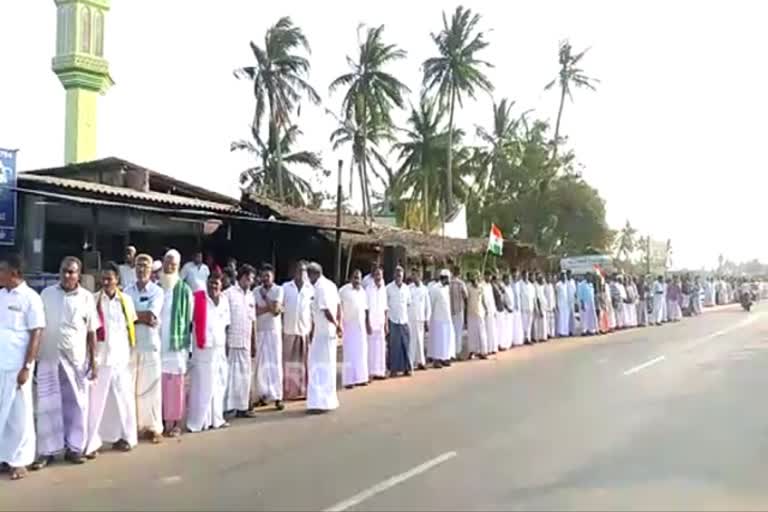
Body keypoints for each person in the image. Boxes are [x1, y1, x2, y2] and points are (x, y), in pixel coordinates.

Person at [34, 256, 99, 468]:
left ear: (79, 274)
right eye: (64, 271)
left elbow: (92, 333)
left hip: (76, 360)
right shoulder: (47, 294)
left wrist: (94, 361)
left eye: (72, 272)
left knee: (77, 406)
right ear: (59, 272)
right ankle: (47, 451)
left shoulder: (87, 298)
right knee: (47, 405)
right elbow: (38, 328)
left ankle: (74, 448)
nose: (68, 275)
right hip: (49, 357)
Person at [86, 262, 139, 457]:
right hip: (100, 358)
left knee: (124, 399)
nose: (106, 282)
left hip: (121, 358)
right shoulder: (93, 300)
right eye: (104, 278)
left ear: (117, 279)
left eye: (110, 278)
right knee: (97, 402)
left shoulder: (126, 300)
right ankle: (93, 442)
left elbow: (130, 328)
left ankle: (127, 437)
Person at [0, 254, 45, 480]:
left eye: (2, 270)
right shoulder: (0, 295)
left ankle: (20, 461)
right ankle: (3, 457)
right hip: (0, 363)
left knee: (20, 414)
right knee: (2, 414)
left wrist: (27, 366)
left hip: (18, 367)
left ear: (15, 273)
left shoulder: (31, 298)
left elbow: (36, 332)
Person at [124, 254, 164, 443]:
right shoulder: (127, 291)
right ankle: (134, 427)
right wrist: (140, 317)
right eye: (139, 266)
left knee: (151, 388)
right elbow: (126, 318)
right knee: (131, 388)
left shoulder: (157, 291)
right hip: (131, 346)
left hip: (150, 345)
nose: (141, 270)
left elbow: (151, 317)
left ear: (151, 270)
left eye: (145, 266)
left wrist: (134, 316)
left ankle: (154, 428)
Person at [187, 274, 231, 432]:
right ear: (206, 283)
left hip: (219, 348)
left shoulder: (224, 300)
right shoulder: (197, 298)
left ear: (221, 285)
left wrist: (226, 346)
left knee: (219, 384)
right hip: (203, 349)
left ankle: (216, 419)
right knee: (203, 385)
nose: (214, 286)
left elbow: (226, 325)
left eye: (217, 284)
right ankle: (199, 422)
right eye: (211, 283)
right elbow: (189, 322)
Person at [159, 249, 194, 438]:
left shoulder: (185, 290)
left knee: (175, 385)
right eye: (167, 262)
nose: (170, 266)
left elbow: (188, 319)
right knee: (159, 384)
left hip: (175, 346)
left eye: (173, 263)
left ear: (178, 266)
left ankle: (174, 422)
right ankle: (161, 421)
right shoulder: (157, 287)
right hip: (157, 344)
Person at [306, 263, 341, 413]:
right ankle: (326, 400)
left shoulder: (320, 287)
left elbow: (326, 310)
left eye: (309, 275)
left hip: (323, 333)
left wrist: (336, 324)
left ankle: (319, 402)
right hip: (327, 332)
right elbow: (339, 306)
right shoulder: (332, 285)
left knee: (318, 366)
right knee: (327, 365)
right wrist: (338, 324)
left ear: (314, 274)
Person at [223, 264, 256, 417]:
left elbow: (253, 320)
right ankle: (229, 407)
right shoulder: (228, 294)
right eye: (249, 279)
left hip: (246, 341)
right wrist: (225, 342)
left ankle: (243, 407)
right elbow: (224, 320)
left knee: (244, 376)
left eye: (252, 279)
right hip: (232, 341)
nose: (250, 282)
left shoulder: (250, 296)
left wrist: (254, 342)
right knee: (230, 376)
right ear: (242, 277)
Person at [254, 264, 285, 411]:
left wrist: (266, 299)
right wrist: (270, 306)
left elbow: (276, 311)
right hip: (260, 330)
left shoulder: (278, 290)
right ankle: (263, 395)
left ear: (273, 276)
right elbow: (255, 312)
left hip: (273, 331)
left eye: (268, 276)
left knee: (275, 362)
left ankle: (278, 396)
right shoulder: (255, 291)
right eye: (263, 276)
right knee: (261, 365)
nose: (265, 279)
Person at [281, 261, 313, 401]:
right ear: (293, 271)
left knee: (303, 362)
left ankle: (302, 390)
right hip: (288, 329)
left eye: (304, 271)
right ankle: (288, 391)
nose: (301, 273)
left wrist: (313, 329)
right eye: (299, 270)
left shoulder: (310, 288)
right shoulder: (286, 287)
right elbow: (281, 308)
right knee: (288, 362)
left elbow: (312, 311)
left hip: (304, 329)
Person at [340, 270, 369, 388]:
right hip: (348, 326)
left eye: (359, 278)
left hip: (360, 326)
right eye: (355, 278)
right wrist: (339, 324)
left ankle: (361, 378)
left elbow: (366, 309)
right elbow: (339, 308)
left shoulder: (363, 292)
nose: (357, 280)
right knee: (349, 353)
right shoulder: (343, 291)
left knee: (361, 352)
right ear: (350, 278)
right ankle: (349, 381)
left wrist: (368, 324)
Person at [386, 266, 412, 377]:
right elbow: (386, 306)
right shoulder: (388, 288)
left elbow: (408, 303)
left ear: (403, 276)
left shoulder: (406, 288)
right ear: (394, 276)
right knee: (394, 346)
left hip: (404, 320)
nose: (398, 277)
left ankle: (407, 368)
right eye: (397, 275)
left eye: (400, 275)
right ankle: (393, 369)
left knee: (405, 345)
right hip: (393, 320)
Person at [428, 269, 455, 368]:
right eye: (449, 278)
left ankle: (445, 358)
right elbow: (431, 303)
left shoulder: (446, 288)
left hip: (446, 318)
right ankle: (436, 360)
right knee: (438, 340)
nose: (450, 281)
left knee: (447, 339)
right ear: (445, 278)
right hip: (437, 318)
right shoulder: (435, 288)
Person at [365, 267, 388, 380]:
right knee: (371, 348)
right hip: (371, 322)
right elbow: (366, 309)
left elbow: (385, 308)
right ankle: (370, 372)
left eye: (380, 275)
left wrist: (386, 324)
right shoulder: (369, 289)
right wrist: (367, 323)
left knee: (381, 348)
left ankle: (380, 371)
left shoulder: (383, 289)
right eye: (377, 274)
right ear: (373, 276)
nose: (379, 277)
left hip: (381, 322)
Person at [407, 268, 430, 371]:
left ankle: (421, 362)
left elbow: (427, 305)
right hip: (410, 318)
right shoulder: (408, 288)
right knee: (411, 341)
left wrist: (427, 319)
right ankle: (410, 363)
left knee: (420, 341)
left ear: (420, 276)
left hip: (421, 318)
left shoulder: (424, 289)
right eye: (413, 275)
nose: (414, 277)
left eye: (416, 275)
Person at [465, 271, 489, 360]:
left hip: (480, 313)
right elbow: (466, 299)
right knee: (471, 333)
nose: (475, 279)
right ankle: (472, 351)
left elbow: (483, 300)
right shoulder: (468, 287)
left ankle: (483, 352)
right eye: (473, 277)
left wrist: (486, 309)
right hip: (471, 313)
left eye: (476, 277)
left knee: (481, 332)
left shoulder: (481, 287)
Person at [449, 267, 468, 359]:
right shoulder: (461, 283)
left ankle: (451, 352)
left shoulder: (448, 283)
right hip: (459, 310)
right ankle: (458, 352)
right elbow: (466, 296)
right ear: (459, 273)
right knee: (458, 332)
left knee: (451, 332)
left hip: (450, 311)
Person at [505, 272, 524, 347]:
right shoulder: (510, 285)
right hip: (512, 308)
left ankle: (518, 340)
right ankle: (512, 341)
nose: (515, 277)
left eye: (516, 276)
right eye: (514, 276)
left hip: (518, 307)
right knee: (512, 326)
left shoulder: (518, 284)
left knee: (518, 325)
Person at [482, 271, 498, 354]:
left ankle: (493, 348)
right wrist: (485, 309)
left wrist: (494, 309)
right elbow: (483, 299)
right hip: (486, 311)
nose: (489, 278)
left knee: (492, 329)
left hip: (492, 309)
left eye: (490, 276)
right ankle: (487, 348)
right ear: (485, 276)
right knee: (487, 330)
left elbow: (492, 299)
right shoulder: (482, 286)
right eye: (487, 276)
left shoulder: (490, 286)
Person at [519, 271, 535, 344]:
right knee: (524, 324)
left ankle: (527, 338)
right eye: (525, 275)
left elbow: (533, 297)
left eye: (527, 275)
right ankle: (524, 338)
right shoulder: (520, 284)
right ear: (522, 276)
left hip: (530, 307)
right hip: (523, 307)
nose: (526, 277)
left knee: (529, 324)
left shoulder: (531, 285)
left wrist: (534, 307)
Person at [533, 274, 549, 342]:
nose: (543, 282)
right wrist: (540, 310)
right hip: (540, 307)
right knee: (539, 323)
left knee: (544, 323)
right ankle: (539, 337)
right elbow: (538, 299)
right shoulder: (536, 286)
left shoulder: (541, 286)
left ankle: (543, 336)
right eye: (542, 280)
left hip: (544, 306)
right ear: (539, 280)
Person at [566, 270, 578, 335]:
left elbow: (575, 292)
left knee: (572, 316)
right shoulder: (565, 282)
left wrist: (576, 301)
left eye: (570, 274)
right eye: (568, 274)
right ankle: (567, 330)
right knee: (567, 317)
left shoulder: (573, 281)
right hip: (566, 302)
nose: (569, 275)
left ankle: (572, 330)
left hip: (572, 301)